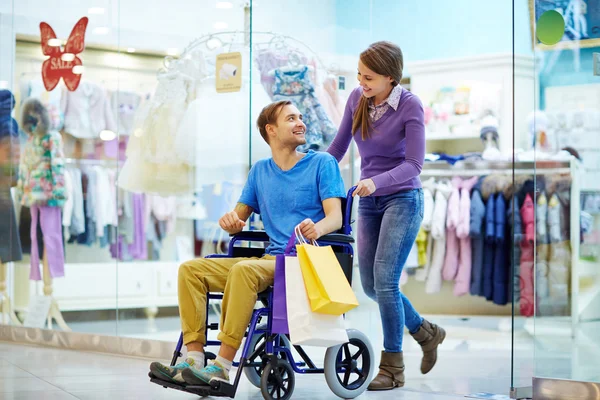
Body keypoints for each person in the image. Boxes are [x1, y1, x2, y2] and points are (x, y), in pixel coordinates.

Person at [149, 100, 346, 386]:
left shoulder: (322, 163)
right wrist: (231, 221)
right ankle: (194, 358)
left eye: (301, 117)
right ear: (272, 130)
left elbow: (336, 218)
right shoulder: (260, 171)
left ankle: (223, 364)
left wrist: (316, 228)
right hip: (270, 261)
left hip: (301, 260)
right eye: (291, 118)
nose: (301, 122)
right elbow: (237, 216)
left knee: (243, 270)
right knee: (191, 270)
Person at [327, 41, 446, 391]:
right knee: (370, 285)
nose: (361, 82)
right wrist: (309, 168)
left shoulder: (410, 106)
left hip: (403, 200)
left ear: (390, 78)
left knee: (386, 281)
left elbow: (414, 165)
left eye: (368, 77)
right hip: (371, 201)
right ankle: (426, 333)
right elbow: (337, 148)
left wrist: (374, 182)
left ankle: (393, 367)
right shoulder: (356, 100)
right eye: (359, 75)